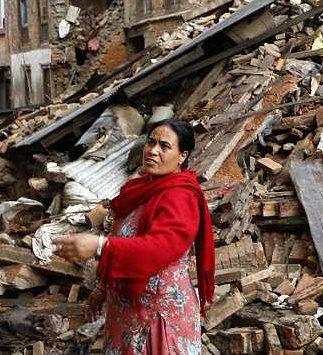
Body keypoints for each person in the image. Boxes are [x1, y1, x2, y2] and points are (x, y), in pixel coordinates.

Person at [54, 117, 215, 355]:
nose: (153, 151)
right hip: (126, 312)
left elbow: (158, 249)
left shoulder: (181, 197)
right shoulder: (139, 189)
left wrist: (100, 246)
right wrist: (104, 288)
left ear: (182, 156)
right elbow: (127, 240)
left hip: (158, 317)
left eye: (165, 146)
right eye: (151, 143)